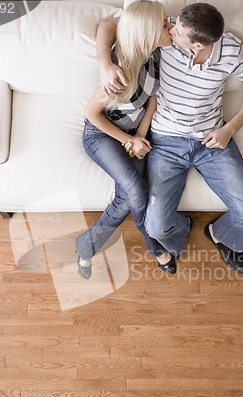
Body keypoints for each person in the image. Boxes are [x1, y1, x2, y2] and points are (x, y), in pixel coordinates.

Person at [97, 2, 243, 274]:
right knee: (155, 226)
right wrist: (104, 63)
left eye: (176, 30)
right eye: (173, 23)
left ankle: (222, 236)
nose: (169, 29)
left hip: (211, 140)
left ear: (198, 45)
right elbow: (110, 24)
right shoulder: (166, 35)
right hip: (166, 141)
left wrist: (229, 129)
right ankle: (183, 228)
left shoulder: (232, 52)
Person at [75, 0, 179, 279]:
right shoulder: (120, 70)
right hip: (103, 134)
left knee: (127, 198)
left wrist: (141, 135)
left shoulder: (154, 54)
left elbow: (153, 99)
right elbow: (92, 114)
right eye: (165, 24)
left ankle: (86, 245)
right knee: (137, 191)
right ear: (147, 32)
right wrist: (127, 140)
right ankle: (155, 247)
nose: (171, 27)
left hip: (134, 135)